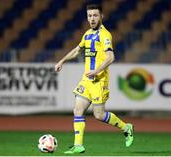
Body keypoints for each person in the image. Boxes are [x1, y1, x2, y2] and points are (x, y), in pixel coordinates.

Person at [55, 4, 134, 154]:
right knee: (78, 110)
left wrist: (96, 71)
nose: (92, 18)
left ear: (101, 16)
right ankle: (78, 145)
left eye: (95, 15)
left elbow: (111, 57)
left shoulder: (105, 35)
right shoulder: (87, 34)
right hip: (87, 80)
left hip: (99, 80)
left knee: (99, 115)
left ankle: (126, 127)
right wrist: (62, 61)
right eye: (89, 15)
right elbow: (77, 50)